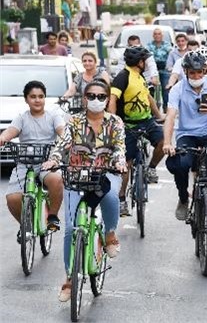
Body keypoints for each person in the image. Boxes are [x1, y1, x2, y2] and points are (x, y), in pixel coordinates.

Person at [42, 80, 127, 302]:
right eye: (91, 95)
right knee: (71, 229)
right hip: (77, 175)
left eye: (101, 96)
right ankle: (69, 279)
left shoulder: (115, 122)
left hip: (105, 173)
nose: (96, 100)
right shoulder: (74, 121)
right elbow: (62, 145)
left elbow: (119, 147)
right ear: (84, 97)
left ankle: (109, 234)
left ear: (107, 98)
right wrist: (54, 160)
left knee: (109, 197)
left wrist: (119, 162)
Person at [162, 51, 207, 248]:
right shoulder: (177, 89)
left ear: (205, 70)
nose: (196, 77)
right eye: (192, 73)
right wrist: (167, 142)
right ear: (185, 71)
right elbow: (170, 117)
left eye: (200, 72)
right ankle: (183, 197)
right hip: (187, 135)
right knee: (180, 163)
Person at [0, 81, 65, 240]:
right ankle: (25, 226)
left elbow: (62, 131)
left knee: (56, 180)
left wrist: (65, 139)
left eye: (41, 96)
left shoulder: (53, 116)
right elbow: (10, 132)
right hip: (24, 163)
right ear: (26, 99)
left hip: (47, 162)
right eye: (33, 97)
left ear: (45, 98)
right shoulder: (22, 118)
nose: (37, 100)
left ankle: (52, 217)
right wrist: (2, 138)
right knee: (12, 198)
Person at [108, 46, 165, 216]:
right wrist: (113, 121)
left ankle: (150, 168)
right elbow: (112, 100)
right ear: (140, 62)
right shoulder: (122, 77)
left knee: (163, 142)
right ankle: (121, 199)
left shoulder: (140, 77)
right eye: (145, 60)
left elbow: (148, 98)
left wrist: (159, 116)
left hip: (146, 121)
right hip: (128, 125)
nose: (147, 63)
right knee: (127, 164)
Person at [147, 28, 173, 112]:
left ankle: (166, 109)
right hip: (153, 70)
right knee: (151, 90)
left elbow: (171, 55)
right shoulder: (149, 45)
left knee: (166, 90)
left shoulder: (167, 45)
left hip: (164, 69)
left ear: (162, 35)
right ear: (153, 36)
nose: (157, 36)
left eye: (159, 34)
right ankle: (154, 110)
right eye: (155, 34)